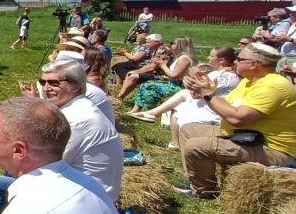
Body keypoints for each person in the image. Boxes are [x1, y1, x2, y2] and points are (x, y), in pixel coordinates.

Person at [0, 59, 124, 214]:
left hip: (85, 201)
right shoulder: (79, 108)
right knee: (10, 172)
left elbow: (41, 165)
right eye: (43, 82)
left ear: (76, 86)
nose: (46, 88)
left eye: (54, 83)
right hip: (85, 190)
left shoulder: (76, 120)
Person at [177, 42, 296, 198]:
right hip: (245, 136)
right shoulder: (249, 81)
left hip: (270, 147)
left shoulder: (273, 86)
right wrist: (204, 90)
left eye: (239, 59)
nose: (234, 61)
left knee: (196, 145)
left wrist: (209, 95)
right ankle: (196, 181)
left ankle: (204, 192)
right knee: (188, 129)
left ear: (253, 64)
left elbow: (237, 119)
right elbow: (227, 106)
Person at [120, 36, 194, 113]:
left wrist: (162, 65)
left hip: (177, 85)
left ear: (180, 45)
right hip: (172, 82)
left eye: (173, 43)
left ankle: (147, 111)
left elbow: (174, 76)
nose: (171, 44)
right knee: (145, 84)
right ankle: (136, 110)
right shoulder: (180, 57)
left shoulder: (184, 58)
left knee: (149, 86)